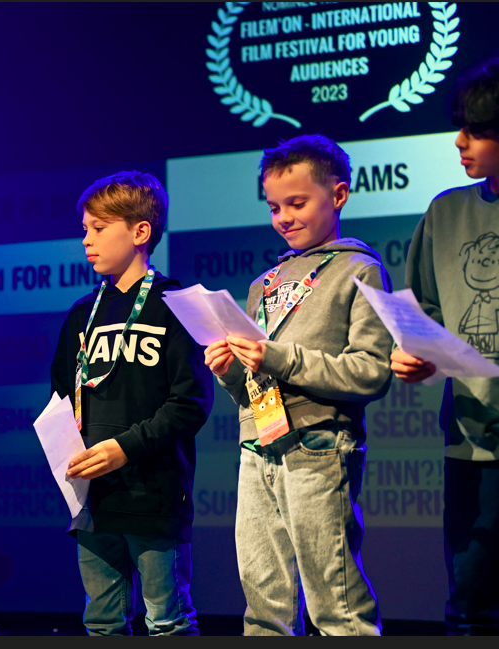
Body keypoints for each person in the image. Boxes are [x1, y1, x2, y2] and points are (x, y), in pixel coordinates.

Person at [205, 135, 392, 635]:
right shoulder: (263, 284)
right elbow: (253, 386)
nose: (283, 217)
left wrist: (278, 357)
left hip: (318, 446)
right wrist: (229, 370)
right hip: (257, 447)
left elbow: (371, 370)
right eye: (274, 207)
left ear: (339, 195)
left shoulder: (359, 269)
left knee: (336, 605)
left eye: (297, 203)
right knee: (265, 607)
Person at [390, 53, 499, 635]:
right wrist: (412, 355)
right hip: (468, 436)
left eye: (476, 131)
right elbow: (425, 313)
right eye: (460, 126)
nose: (459, 142)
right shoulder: (445, 211)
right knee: (472, 602)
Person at [50, 170, 213, 635]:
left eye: (99, 228)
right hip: (93, 498)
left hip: (154, 494)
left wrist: (125, 447)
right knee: (102, 622)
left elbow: (190, 403)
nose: (86, 240)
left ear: (140, 232)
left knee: (167, 621)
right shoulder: (82, 313)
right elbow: (62, 396)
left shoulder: (177, 304)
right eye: (85, 229)